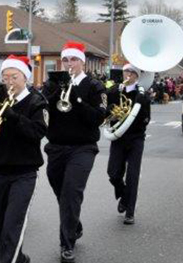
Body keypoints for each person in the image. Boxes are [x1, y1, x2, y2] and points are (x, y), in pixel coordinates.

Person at [0, 55, 47, 263]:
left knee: (12, 226)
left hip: (24, 174)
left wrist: (13, 117)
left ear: (25, 77)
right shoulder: (0, 100)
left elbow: (37, 132)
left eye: (14, 77)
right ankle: (19, 258)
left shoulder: (36, 102)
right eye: (5, 78)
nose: (9, 82)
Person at [41, 41, 108, 263]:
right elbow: (42, 108)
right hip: (56, 147)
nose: (69, 63)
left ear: (82, 62)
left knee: (71, 193)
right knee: (61, 192)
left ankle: (66, 244)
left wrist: (76, 100)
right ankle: (74, 224)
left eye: (74, 59)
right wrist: (57, 92)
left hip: (83, 148)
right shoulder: (52, 83)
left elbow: (98, 117)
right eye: (66, 59)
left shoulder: (94, 85)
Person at [106, 63, 151, 225]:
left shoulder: (142, 95)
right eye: (126, 72)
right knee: (113, 173)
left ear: (137, 76)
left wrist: (137, 110)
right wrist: (111, 110)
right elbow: (105, 111)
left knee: (132, 175)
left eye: (132, 73)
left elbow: (146, 119)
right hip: (118, 137)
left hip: (135, 138)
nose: (128, 75)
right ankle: (124, 195)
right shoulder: (114, 91)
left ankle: (130, 212)